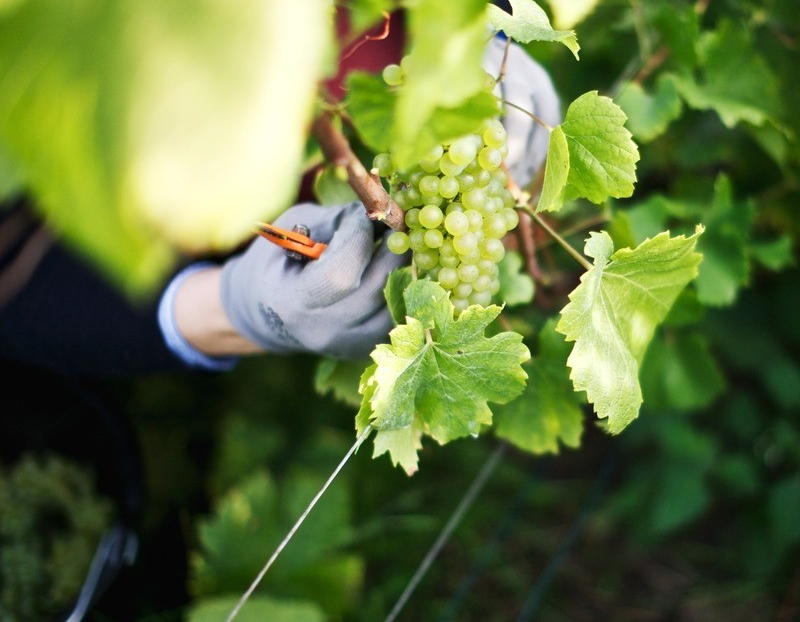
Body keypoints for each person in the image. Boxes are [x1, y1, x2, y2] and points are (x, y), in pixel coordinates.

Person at [0, 33, 559, 378]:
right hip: (225, 227)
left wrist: (482, 17)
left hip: (408, 87)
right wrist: (227, 309)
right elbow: (13, 285)